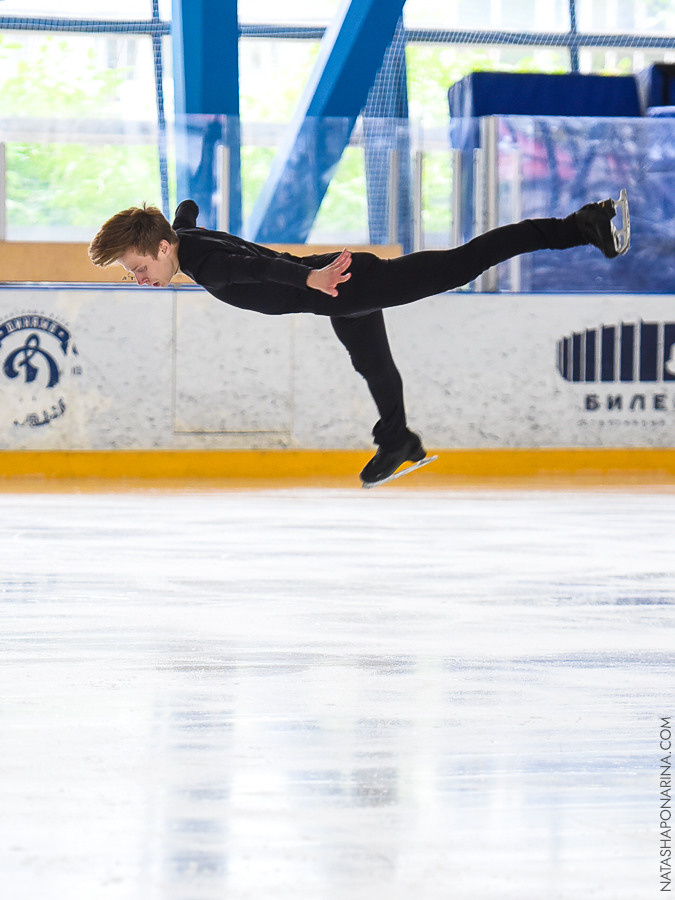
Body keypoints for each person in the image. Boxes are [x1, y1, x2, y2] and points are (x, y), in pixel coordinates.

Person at [88, 193, 630, 485]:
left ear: (161, 249)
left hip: (340, 284)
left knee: (465, 262)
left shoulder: (209, 267)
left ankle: (580, 225)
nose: (139, 278)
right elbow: (184, 212)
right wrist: (180, 210)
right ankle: (398, 440)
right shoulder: (183, 238)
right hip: (337, 289)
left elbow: (257, 272)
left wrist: (312, 281)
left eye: (137, 267)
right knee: (372, 364)